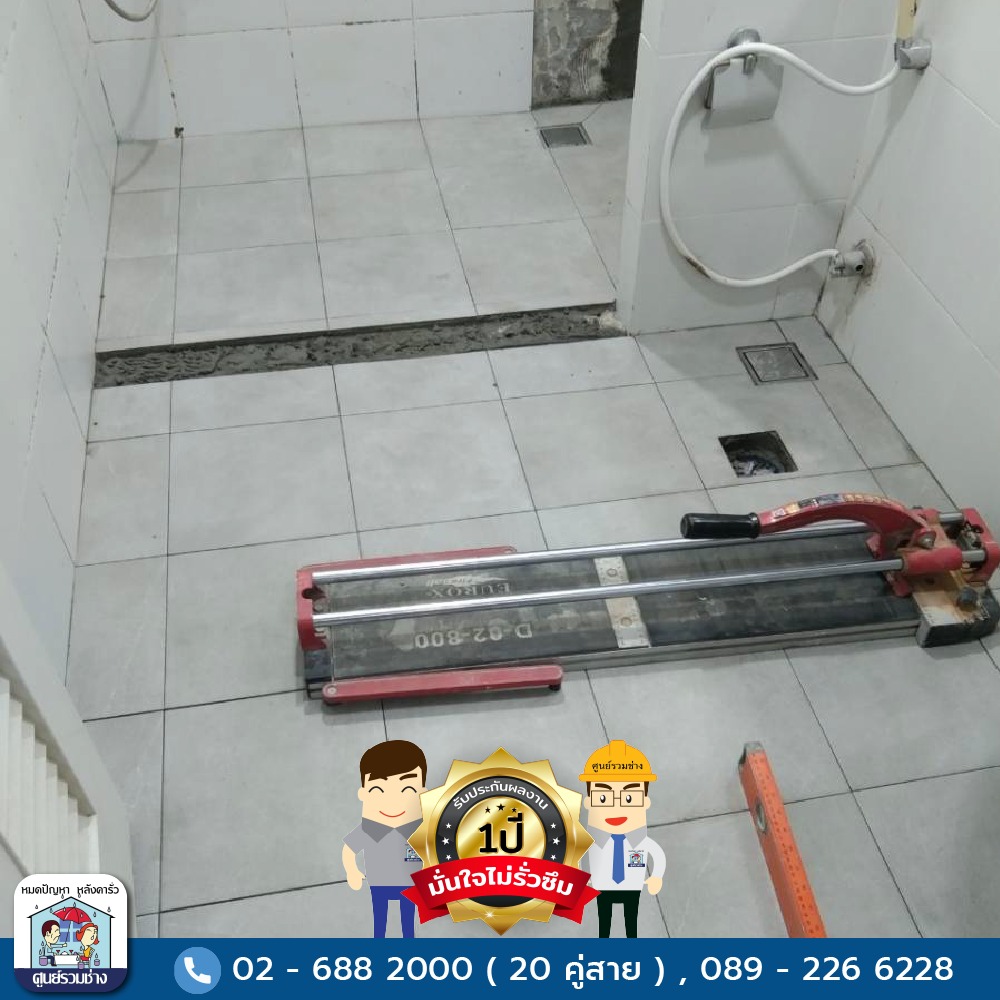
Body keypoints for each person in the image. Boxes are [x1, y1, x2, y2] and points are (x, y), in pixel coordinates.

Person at [579, 740, 666, 938]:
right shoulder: (593, 841)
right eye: (604, 798)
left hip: (631, 887)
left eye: (628, 798)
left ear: (644, 802)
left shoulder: (641, 842)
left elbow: (657, 855)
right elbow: (582, 858)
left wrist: (656, 876)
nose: (616, 807)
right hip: (603, 886)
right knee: (604, 920)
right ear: (589, 802)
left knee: (630, 920)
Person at [343, 740, 428, 938]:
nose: (393, 801)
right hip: (379, 883)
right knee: (380, 919)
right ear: (363, 794)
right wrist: (352, 871)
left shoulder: (419, 828)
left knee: (407, 921)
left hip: (410, 882)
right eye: (378, 790)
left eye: (407, 789)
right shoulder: (369, 828)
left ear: (422, 793)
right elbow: (349, 849)